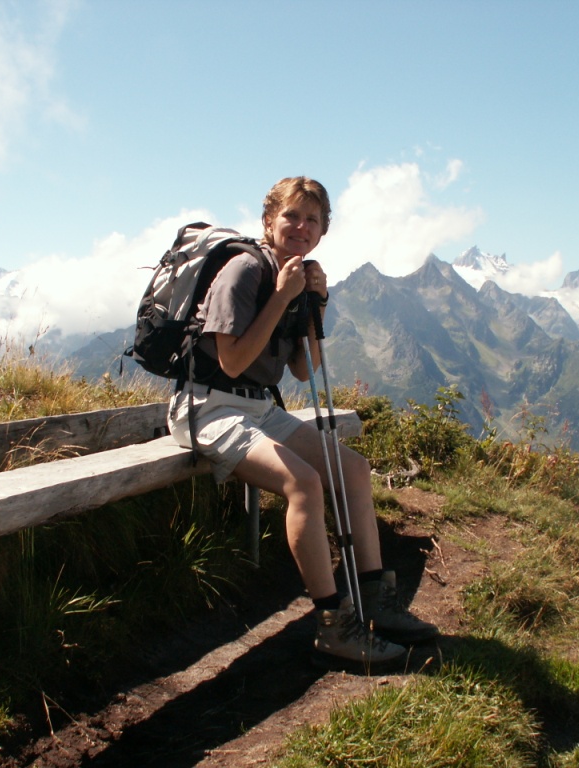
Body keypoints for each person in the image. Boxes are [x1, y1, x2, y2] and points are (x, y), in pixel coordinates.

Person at [167, 176, 438, 670]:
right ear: (269, 220)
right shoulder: (244, 271)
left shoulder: (295, 275)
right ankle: (335, 624)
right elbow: (232, 362)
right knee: (304, 482)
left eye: (312, 219)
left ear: (323, 231)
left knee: (352, 469)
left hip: (257, 407)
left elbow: (302, 369)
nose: (301, 226)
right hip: (208, 408)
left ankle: (376, 603)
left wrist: (316, 304)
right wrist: (281, 297)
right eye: (291, 215)